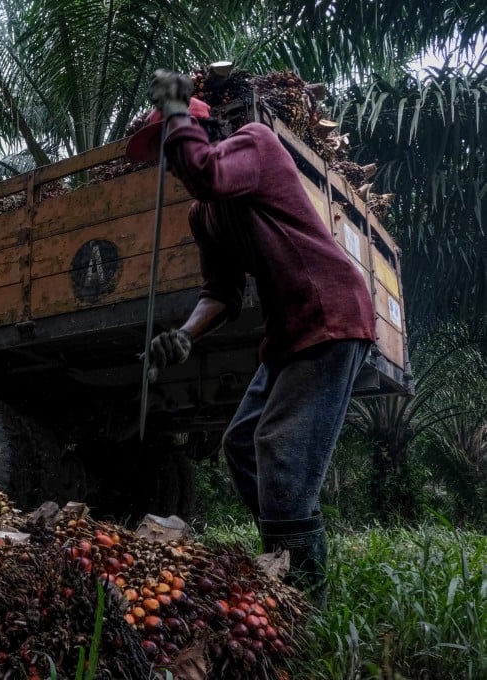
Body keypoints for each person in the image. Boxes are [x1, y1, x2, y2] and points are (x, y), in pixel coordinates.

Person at [128, 70, 376, 602]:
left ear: (202, 131)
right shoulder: (203, 215)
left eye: (172, 147)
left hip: (330, 313)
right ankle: (284, 555)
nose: (170, 166)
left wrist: (174, 105)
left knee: (279, 449)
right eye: (163, 156)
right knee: (243, 443)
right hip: (289, 331)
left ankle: (308, 603)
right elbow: (221, 293)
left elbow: (205, 173)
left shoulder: (255, 145)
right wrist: (186, 336)